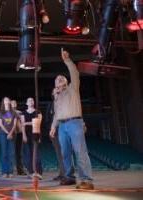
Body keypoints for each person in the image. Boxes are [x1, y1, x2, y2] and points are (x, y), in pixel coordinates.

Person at [49, 48, 94, 190]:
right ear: (55, 85)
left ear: (67, 81)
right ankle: (69, 177)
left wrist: (67, 60)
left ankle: (86, 180)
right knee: (65, 152)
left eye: (62, 77)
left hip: (75, 122)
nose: (59, 78)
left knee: (80, 150)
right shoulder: (57, 97)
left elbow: (74, 72)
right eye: (57, 79)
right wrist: (53, 126)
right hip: (62, 126)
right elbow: (57, 113)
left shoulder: (73, 88)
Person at [45, 89, 65, 181]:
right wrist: (50, 129)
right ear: (52, 94)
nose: (57, 93)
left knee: (65, 152)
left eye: (58, 91)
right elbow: (47, 118)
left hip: (64, 130)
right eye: (55, 92)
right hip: (54, 132)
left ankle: (67, 174)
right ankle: (62, 173)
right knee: (58, 153)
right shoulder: (50, 104)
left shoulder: (65, 102)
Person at [21, 97, 43, 178]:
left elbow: (37, 122)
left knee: (36, 154)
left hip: (36, 133)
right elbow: (22, 125)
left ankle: (39, 173)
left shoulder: (38, 112)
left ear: (33, 102)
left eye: (32, 100)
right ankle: (31, 172)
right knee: (28, 154)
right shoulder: (23, 113)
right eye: (29, 100)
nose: (31, 101)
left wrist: (26, 123)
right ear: (26, 103)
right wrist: (23, 135)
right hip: (27, 134)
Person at [0, 97, 17, 178]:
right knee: (4, 153)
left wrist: (11, 133)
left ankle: (10, 171)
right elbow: (0, 124)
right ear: (3, 102)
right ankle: (4, 172)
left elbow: (15, 124)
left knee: (11, 153)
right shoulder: (1, 112)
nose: (6, 101)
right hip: (3, 134)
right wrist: (7, 133)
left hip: (12, 134)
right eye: (5, 99)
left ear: (9, 101)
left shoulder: (13, 112)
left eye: (8, 99)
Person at [11, 100, 26, 175]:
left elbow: (22, 123)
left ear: (16, 104)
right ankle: (9, 170)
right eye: (12, 103)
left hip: (19, 133)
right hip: (12, 134)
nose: (13, 104)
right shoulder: (8, 112)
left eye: (14, 103)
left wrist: (23, 133)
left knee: (19, 153)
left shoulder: (20, 112)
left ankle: (20, 170)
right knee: (11, 152)